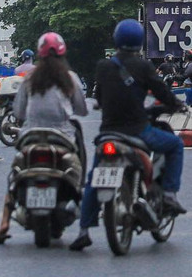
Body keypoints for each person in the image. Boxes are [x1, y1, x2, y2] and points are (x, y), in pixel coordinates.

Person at [70, 19, 186, 252]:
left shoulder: (104, 66)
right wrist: (176, 105)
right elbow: (162, 91)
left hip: (108, 134)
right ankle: (170, 194)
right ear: (139, 41)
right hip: (138, 132)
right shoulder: (143, 67)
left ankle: (83, 230)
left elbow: (100, 99)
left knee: (94, 179)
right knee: (175, 145)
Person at [0, 31, 88, 244]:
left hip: (31, 137)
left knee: (14, 176)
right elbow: (81, 110)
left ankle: (4, 224)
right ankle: (84, 224)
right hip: (62, 137)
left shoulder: (30, 79)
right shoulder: (70, 77)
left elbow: (18, 113)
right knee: (78, 170)